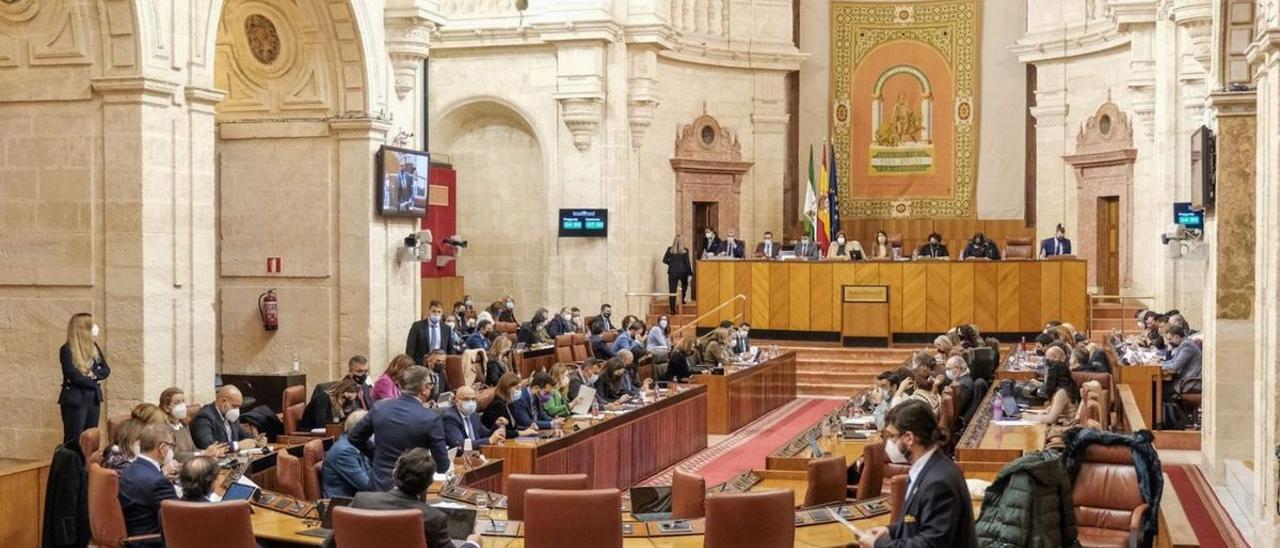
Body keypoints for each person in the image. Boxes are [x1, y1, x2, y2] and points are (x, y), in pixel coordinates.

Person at [855, 400, 977, 548]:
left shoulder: (938, 482)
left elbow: (930, 544)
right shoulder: (929, 468)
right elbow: (917, 521)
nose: (889, 443)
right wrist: (890, 531)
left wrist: (877, 544)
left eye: (892, 436)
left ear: (909, 438)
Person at [322, 448, 482, 548]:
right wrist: (473, 543)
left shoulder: (362, 501)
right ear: (429, 484)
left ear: (394, 473)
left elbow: (331, 543)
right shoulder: (433, 518)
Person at [347, 365, 451, 491]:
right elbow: (442, 466)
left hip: (380, 486)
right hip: (412, 490)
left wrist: (375, 454)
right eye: (430, 385)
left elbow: (354, 437)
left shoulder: (380, 407)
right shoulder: (431, 418)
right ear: (424, 389)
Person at [117, 423, 177, 548]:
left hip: (135, 537)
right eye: (172, 446)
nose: (172, 451)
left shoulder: (129, 469)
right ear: (162, 448)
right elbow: (179, 519)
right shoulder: (158, 482)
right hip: (152, 542)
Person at [59, 313, 111, 444]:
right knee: (75, 438)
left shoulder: (94, 347)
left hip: (92, 398)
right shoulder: (67, 349)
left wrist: (91, 374)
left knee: (91, 436)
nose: (95, 328)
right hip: (75, 399)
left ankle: (88, 464)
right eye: (92, 324)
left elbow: (105, 370)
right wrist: (94, 378)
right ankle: (73, 464)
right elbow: (74, 376)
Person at [158, 387, 226, 462]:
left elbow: (193, 449)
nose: (182, 405)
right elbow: (174, 455)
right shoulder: (164, 428)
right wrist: (202, 453)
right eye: (177, 402)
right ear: (166, 407)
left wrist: (210, 452)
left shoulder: (184, 425)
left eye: (183, 401)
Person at [191, 385, 261, 451]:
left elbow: (242, 436)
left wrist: (256, 440)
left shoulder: (231, 415)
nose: (237, 410)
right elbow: (208, 445)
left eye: (239, 407)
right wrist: (236, 445)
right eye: (234, 406)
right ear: (223, 401)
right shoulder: (204, 417)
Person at [321, 410, 373, 498]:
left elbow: (369, 472)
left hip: (357, 498)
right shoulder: (345, 452)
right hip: (343, 503)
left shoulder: (355, 444)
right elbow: (367, 486)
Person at [441, 386, 505, 450]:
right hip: (460, 457)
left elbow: (486, 434)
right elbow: (460, 445)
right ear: (457, 401)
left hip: (477, 454)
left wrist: (496, 425)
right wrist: (489, 440)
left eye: (473, 399)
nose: (471, 403)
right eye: (466, 399)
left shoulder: (474, 415)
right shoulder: (450, 418)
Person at [481, 373, 541, 438]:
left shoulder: (509, 404)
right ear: (507, 388)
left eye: (520, 388)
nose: (519, 391)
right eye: (517, 388)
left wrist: (528, 428)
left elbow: (513, 427)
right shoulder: (497, 405)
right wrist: (523, 433)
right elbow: (502, 432)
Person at [1034, 357, 1081, 426]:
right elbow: (1051, 411)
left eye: (1047, 374)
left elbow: (1050, 419)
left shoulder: (1062, 393)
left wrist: (1026, 417)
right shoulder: (1065, 389)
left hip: (1065, 429)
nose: (1045, 377)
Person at [407, 300, 454, 365]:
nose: (436, 314)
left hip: (439, 365)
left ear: (442, 313)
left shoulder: (446, 329)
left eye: (439, 312)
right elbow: (410, 348)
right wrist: (410, 365)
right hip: (421, 365)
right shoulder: (417, 326)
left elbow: (450, 350)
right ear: (429, 311)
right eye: (434, 311)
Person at [1162, 326, 1202, 399]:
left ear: (1177, 337)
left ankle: (1172, 410)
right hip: (1185, 380)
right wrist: (1160, 364)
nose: (1168, 342)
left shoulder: (1187, 346)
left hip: (1189, 383)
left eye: (1170, 339)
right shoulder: (1184, 344)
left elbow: (1175, 365)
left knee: (1160, 390)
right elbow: (1173, 361)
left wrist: (1160, 365)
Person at [663, 236, 694, 313]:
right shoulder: (685, 250)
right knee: (684, 286)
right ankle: (682, 299)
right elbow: (687, 263)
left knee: (672, 291)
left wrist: (671, 264)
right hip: (683, 272)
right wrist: (690, 274)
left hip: (672, 272)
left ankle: (672, 310)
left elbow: (664, 260)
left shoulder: (670, 250)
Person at [944, 357, 975, 426]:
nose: (947, 372)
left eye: (949, 369)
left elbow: (959, 409)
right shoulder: (963, 379)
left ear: (958, 368)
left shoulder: (963, 384)